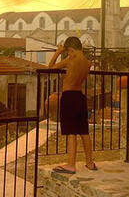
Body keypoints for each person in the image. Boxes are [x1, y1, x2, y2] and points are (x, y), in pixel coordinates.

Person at [48, 36, 97, 174]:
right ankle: (90, 163)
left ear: (71, 49)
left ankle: (70, 165)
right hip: (80, 98)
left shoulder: (71, 59)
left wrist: (58, 52)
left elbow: (50, 68)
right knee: (84, 132)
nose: (68, 54)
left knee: (71, 133)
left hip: (69, 97)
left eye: (68, 51)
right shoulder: (87, 63)